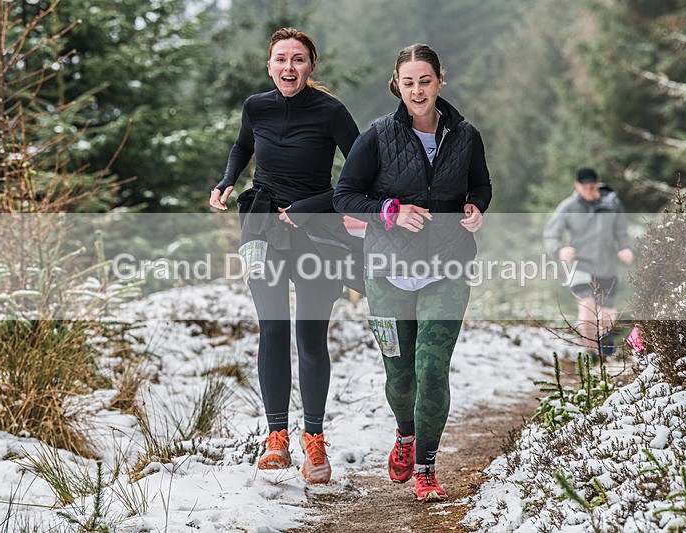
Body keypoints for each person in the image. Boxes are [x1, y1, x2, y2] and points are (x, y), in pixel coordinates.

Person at [333, 44, 491, 502]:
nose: (417, 90)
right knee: (400, 378)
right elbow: (344, 195)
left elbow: (481, 185)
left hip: (448, 267)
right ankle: (405, 432)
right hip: (386, 273)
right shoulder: (377, 136)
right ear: (396, 85)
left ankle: (425, 465)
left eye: (425, 80)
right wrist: (390, 210)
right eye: (408, 82)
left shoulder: (466, 135)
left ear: (441, 80)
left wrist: (476, 207)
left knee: (431, 367)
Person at [209, 27, 359, 484]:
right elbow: (243, 144)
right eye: (280, 59)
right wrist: (228, 178)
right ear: (269, 65)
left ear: (311, 67)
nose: (288, 67)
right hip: (261, 224)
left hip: (316, 231)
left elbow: (359, 175)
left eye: (298, 59)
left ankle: (313, 440)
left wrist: (311, 207)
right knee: (271, 327)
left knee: (310, 336)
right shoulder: (256, 106)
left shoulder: (331, 111)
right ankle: (276, 438)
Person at [543, 167, 634, 362]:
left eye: (593, 187)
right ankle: (592, 353)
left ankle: (604, 340)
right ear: (577, 186)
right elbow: (551, 235)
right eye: (585, 188)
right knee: (586, 304)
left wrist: (626, 248)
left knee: (606, 312)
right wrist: (560, 250)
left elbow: (622, 231)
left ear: (598, 183)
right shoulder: (568, 207)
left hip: (606, 265)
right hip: (579, 266)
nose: (590, 192)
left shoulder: (612, 204)